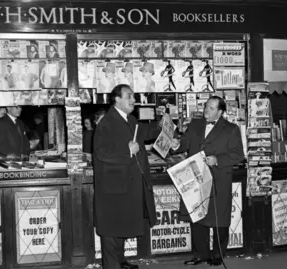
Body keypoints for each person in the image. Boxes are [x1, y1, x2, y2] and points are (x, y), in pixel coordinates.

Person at [171, 96, 244, 266]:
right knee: (197, 217)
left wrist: (217, 159)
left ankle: (218, 254)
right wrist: (176, 144)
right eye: (206, 106)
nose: (206, 110)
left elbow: (238, 154)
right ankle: (200, 254)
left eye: (211, 108)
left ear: (220, 111)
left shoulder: (231, 129)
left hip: (219, 179)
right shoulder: (195, 124)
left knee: (220, 218)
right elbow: (184, 144)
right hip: (195, 178)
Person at [93, 84, 160, 269]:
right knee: (112, 230)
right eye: (129, 96)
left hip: (126, 185)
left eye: (133, 96)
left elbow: (144, 132)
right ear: (117, 99)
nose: (134, 100)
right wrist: (127, 150)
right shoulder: (106, 122)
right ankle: (113, 265)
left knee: (120, 227)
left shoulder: (128, 119)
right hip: (113, 188)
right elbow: (101, 152)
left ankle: (120, 261)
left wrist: (161, 126)